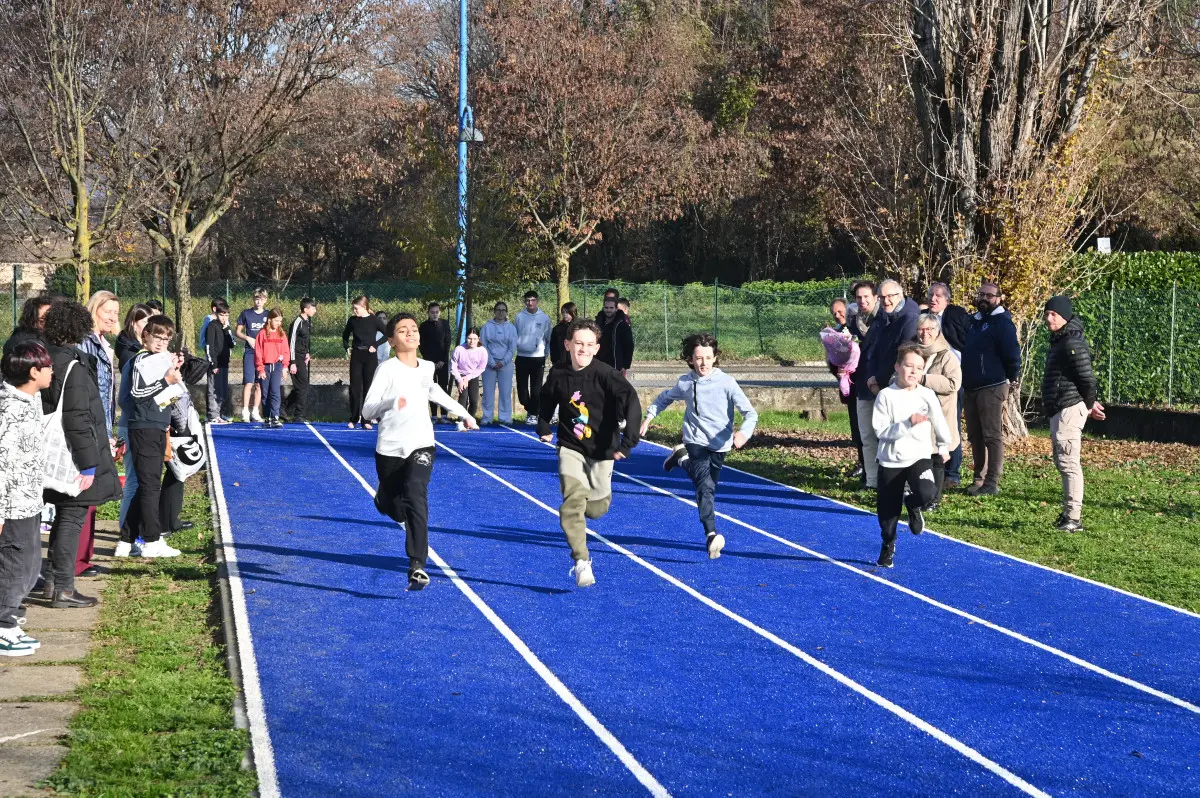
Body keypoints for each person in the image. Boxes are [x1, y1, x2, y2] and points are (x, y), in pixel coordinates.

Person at [363, 312, 477, 591]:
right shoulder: (386, 370)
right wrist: (392, 401)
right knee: (394, 506)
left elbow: (435, 393)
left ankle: (417, 565)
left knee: (416, 494)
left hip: (421, 443)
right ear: (391, 340)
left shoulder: (426, 367)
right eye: (402, 331)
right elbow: (367, 410)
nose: (410, 333)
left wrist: (463, 413)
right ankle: (383, 499)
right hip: (389, 448)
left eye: (413, 329)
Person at [537, 318, 641, 588]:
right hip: (570, 445)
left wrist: (628, 441)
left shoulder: (606, 374)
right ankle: (581, 560)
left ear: (597, 348)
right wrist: (543, 423)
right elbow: (547, 397)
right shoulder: (559, 373)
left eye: (589, 344)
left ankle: (590, 504)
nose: (583, 349)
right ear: (567, 344)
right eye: (578, 343)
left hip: (603, 449)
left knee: (595, 509)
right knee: (572, 500)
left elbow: (631, 401)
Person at [641, 333, 757, 560]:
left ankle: (680, 459)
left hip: (721, 444)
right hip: (695, 439)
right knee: (705, 488)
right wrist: (648, 417)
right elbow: (665, 398)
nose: (703, 363)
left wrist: (743, 433)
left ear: (715, 358)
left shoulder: (727, 383)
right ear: (691, 359)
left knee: (707, 485)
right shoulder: (686, 382)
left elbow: (750, 413)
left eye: (707, 357)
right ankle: (711, 534)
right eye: (698, 358)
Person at [40, 301, 122, 606]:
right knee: (71, 518)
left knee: (63, 516)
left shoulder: (44, 357)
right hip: (72, 455)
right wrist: (89, 463)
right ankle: (62, 585)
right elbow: (77, 419)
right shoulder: (72, 365)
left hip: (50, 451)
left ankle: (52, 581)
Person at [872, 344, 952, 568]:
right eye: (909, 366)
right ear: (897, 367)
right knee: (888, 516)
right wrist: (907, 424)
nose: (914, 371)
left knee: (928, 493)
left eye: (919, 367)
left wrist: (944, 445)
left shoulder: (926, 395)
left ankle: (913, 505)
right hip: (891, 460)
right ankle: (888, 544)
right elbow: (881, 431)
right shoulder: (886, 396)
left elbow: (939, 420)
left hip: (919, 456)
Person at [0, 341, 54, 655]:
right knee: (14, 564)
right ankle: (3, 622)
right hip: (11, 504)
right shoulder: (9, 409)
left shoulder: (31, 400)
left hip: (30, 498)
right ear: (33, 372)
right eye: (47, 366)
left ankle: (13, 617)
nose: (52, 370)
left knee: (31, 563)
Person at [117, 314, 184, 559]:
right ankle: (152, 541)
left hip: (157, 425)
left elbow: (167, 397)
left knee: (149, 484)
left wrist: (174, 377)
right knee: (149, 486)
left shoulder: (159, 359)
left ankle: (126, 540)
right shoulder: (139, 361)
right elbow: (136, 393)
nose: (161, 342)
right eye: (157, 336)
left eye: (166, 338)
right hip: (142, 427)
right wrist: (165, 380)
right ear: (145, 335)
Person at [1042, 295, 1105, 533]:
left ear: (1065, 317)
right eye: (1047, 313)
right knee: (1063, 461)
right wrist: (1089, 403)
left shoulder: (1071, 342)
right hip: (1062, 407)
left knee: (1069, 463)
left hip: (1068, 409)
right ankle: (1069, 514)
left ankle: (1073, 518)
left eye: (1053, 314)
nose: (1048, 318)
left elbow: (1087, 379)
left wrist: (1088, 405)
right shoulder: (1061, 340)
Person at [74, 290, 121, 578]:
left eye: (116, 311)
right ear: (93, 310)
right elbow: (87, 393)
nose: (113, 316)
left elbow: (107, 397)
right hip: (89, 430)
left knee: (94, 498)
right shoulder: (86, 344)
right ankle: (76, 563)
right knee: (82, 498)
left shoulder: (105, 344)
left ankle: (84, 559)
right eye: (108, 311)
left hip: (102, 429)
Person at [961, 281, 1021, 496]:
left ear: (998, 298)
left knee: (992, 435)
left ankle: (991, 481)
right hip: (971, 387)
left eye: (990, 295)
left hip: (992, 386)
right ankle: (979, 477)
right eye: (981, 294)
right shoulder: (973, 322)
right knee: (975, 435)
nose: (985, 298)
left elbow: (1012, 354)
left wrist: (1010, 378)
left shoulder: (1002, 323)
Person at [114, 304, 152, 556]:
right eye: (145, 322)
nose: (149, 326)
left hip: (139, 422)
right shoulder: (131, 354)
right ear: (134, 323)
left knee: (137, 480)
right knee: (133, 481)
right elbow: (128, 397)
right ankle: (126, 537)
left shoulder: (137, 351)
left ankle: (130, 535)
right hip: (132, 423)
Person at [915, 314, 961, 509]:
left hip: (939, 415)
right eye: (921, 329)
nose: (925, 334)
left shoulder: (947, 355)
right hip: (916, 417)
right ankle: (920, 494)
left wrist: (924, 379)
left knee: (937, 460)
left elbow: (953, 383)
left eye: (930, 330)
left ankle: (934, 500)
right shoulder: (912, 352)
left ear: (937, 332)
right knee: (919, 459)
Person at [927, 282, 969, 486]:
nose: (933, 299)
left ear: (947, 300)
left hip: (952, 379)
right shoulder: (925, 318)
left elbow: (966, 343)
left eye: (938, 296)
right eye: (931, 295)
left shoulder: (956, 315)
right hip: (928, 380)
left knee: (951, 425)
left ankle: (952, 473)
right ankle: (932, 468)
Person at [850, 281, 882, 488]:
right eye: (859, 298)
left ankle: (889, 480)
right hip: (861, 385)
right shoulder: (852, 322)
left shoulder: (885, 320)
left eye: (866, 297)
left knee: (884, 435)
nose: (862, 301)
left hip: (882, 384)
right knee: (866, 436)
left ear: (875, 297)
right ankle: (871, 480)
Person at [827, 297, 864, 476]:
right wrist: (838, 370)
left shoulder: (858, 327)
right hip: (848, 383)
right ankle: (861, 461)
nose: (837, 315)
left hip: (862, 380)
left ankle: (869, 465)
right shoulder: (835, 332)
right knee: (855, 425)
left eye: (840, 311)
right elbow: (832, 360)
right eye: (834, 313)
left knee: (865, 425)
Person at [342, 295, 386, 429]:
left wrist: (376, 344)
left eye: (356, 308)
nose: (354, 311)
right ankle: (354, 418)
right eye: (353, 308)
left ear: (364, 307)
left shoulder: (374, 320)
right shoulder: (352, 320)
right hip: (356, 355)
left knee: (368, 388)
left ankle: (366, 420)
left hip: (370, 356)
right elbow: (345, 335)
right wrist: (347, 347)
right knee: (355, 388)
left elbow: (387, 334)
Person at [514, 290, 553, 425]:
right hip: (522, 357)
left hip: (538, 358)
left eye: (533, 300)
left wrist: (545, 355)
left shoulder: (544, 318)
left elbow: (548, 338)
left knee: (536, 389)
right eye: (528, 300)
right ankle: (530, 407)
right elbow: (515, 336)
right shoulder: (519, 317)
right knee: (523, 392)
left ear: (537, 301)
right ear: (525, 302)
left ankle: (533, 414)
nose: (530, 303)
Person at [480, 301, 516, 425]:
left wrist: (503, 361)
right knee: (488, 392)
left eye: (503, 310)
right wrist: (491, 362)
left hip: (505, 365)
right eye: (498, 310)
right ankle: (487, 417)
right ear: (494, 311)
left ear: (506, 312)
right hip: (489, 364)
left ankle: (505, 418)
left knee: (505, 392)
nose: (501, 313)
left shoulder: (511, 328)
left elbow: (512, 348)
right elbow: (483, 345)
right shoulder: (487, 327)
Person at [236, 288, 269, 423]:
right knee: (248, 382)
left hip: (264, 353)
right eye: (256, 298)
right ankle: (245, 411)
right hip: (250, 352)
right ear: (253, 299)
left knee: (259, 383)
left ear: (265, 300)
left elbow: (273, 331)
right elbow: (237, 332)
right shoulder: (246, 313)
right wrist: (248, 338)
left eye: (261, 299)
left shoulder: (268, 314)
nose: (258, 301)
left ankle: (255, 411)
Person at [418, 302, 453, 423]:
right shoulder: (423, 326)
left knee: (443, 387)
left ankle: (444, 415)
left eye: (436, 312)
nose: (434, 315)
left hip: (443, 361)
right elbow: (421, 345)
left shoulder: (445, 324)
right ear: (428, 313)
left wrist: (442, 360)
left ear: (440, 312)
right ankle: (433, 415)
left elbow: (447, 342)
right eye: (432, 312)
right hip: (429, 362)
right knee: (430, 387)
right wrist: (431, 362)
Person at [255, 309, 290, 428]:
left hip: (277, 367)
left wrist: (285, 366)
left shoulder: (282, 334)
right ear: (270, 320)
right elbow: (258, 352)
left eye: (280, 321)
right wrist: (260, 368)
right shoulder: (262, 334)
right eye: (276, 320)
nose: (278, 323)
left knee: (275, 392)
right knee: (265, 393)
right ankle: (267, 417)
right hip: (265, 367)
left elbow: (286, 351)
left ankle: (275, 416)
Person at [284, 298, 317, 424]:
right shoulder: (297, 322)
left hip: (302, 356)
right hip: (295, 357)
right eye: (312, 307)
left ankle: (283, 408)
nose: (315, 310)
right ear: (305, 309)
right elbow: (291, 342)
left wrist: (307, 352)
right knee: (302, 386)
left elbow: (304, 340)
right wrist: (292, 362)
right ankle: (298, 414)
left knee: (302, 386)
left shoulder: (307, 322)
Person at [450, 328, 487, 423]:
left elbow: (481, 367)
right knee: (463, 397)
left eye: (475, 339)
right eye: (469, 338)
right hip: (460, 375)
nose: (472, 341)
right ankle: (461, 419)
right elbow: (453, 367)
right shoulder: (459, 349)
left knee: (474, 400)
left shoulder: (482, 351)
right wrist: (460, 380)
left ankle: (470, 420)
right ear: (466, 338)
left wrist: (468, 377)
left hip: (473, 376)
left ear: (478, 339)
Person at [205, 300, 234, 423]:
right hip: (215, 364)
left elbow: (232, 344)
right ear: (216, 313)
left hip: (224, 363)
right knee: (213, 389)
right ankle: (213, 414)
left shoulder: (225, 327)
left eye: (226, 315)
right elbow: (209, 346)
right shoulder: (212, 326)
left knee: (222, 389)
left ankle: (220, 413)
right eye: (222, 315)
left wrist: (227, 329)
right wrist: (213, 364)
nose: (224, 317)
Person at [597, 297, 634, 376]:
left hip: (615, 365)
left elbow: (629, 346)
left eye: (611, 308)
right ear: (603, 308)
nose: (609, 310)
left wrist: (625, 365)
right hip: (599, 364)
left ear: (616, 309)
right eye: (606, 308)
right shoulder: (598, 324)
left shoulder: (622, 325)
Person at [549, 302, 576, 371]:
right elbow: (553, 346)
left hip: (574, 361)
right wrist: (554, 360)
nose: (564, 314)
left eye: (567, 312)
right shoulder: (557, 328)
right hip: (560, 361)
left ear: (573, 312)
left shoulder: (579, 327)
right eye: (563, 312)